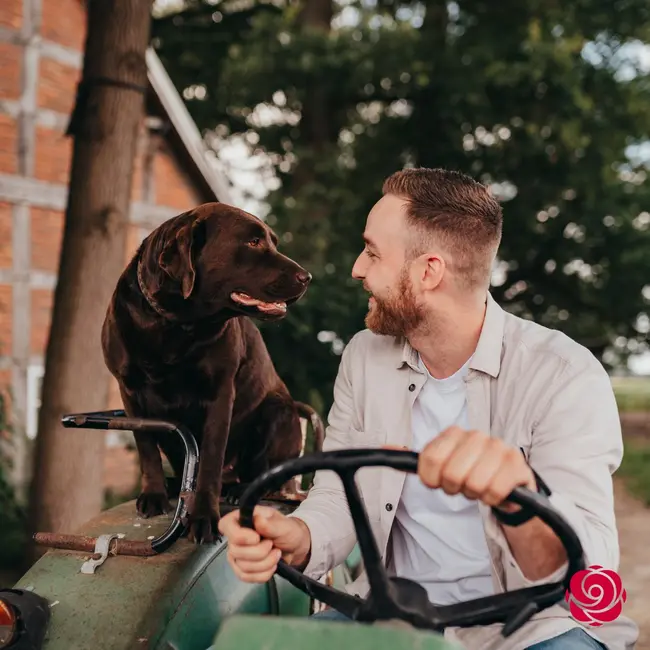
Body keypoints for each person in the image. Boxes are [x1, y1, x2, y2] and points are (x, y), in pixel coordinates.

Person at [218, 168, 638, 649]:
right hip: (390, 617)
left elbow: (582, 562)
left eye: (373, 252)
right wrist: (298, 535)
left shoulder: (564, 374)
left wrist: (520, 499)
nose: (357, 268)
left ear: (428, 271)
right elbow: (337, 495)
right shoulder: (363, 356)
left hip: (534, 631)